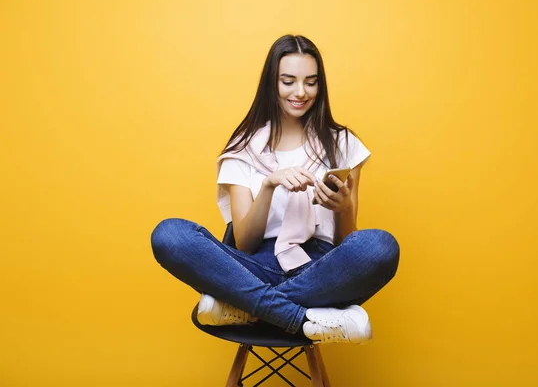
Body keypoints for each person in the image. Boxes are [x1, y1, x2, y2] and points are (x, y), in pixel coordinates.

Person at [151, 35, 400, 345]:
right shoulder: (243, 149)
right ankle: (303, 319)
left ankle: (246, 307)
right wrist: (269, 185)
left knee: (380, 246)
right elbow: (245, 244)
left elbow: (345, 244)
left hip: (321, 270)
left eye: (311, 82)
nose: (301, 92)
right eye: (288, 81)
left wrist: (344, 208)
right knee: (170, 235)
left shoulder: (343, 144)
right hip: (254, 268)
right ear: (272, 83)